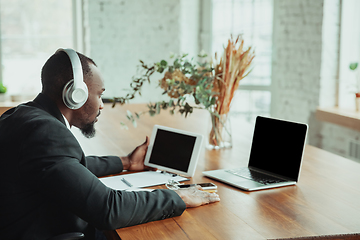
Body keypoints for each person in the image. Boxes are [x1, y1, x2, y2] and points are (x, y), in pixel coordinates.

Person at [0, 49, 220, 240]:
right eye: (99, 95)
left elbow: (67, 166)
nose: (102, 105)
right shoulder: (46, 133)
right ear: (75, 94)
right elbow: (108, 208)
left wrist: (124, 162)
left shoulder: (21, 115)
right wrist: (178, 197)